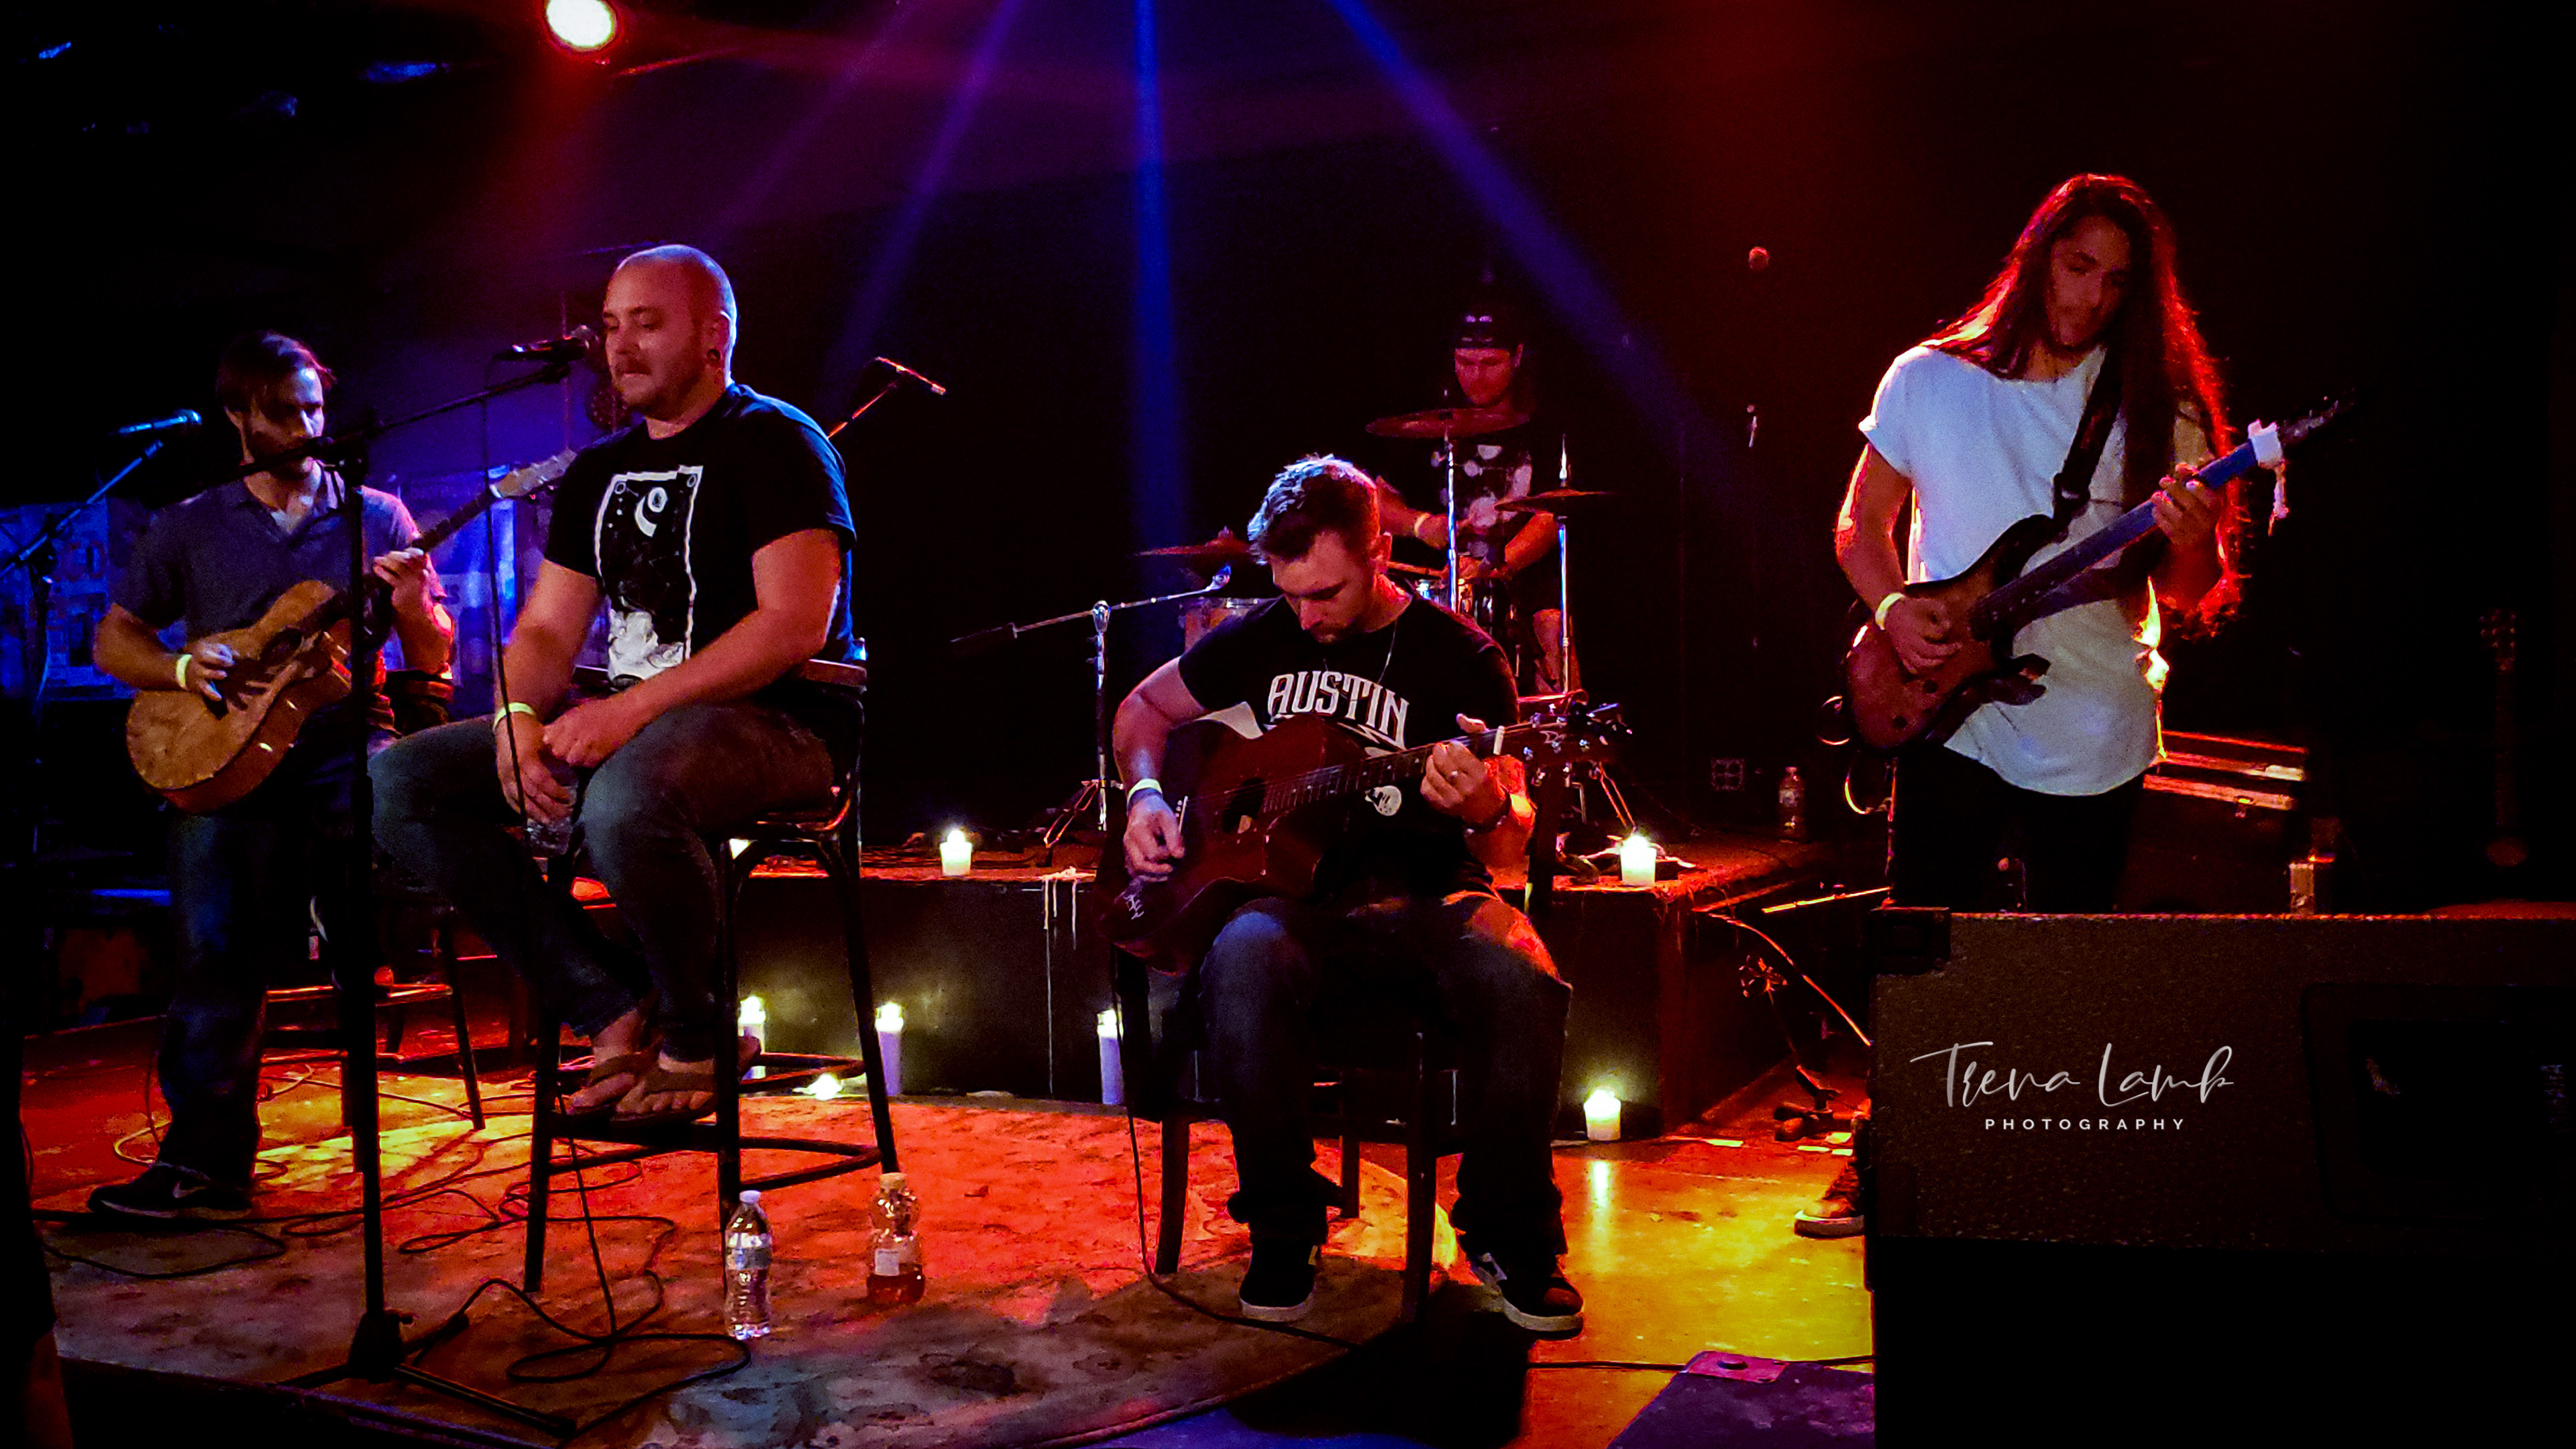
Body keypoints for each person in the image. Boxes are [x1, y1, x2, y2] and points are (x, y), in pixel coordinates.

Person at [1809, 173, 2243, 1237]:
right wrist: (1894, 610)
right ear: (2038, 255)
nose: (2090, 296)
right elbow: (1861, 522)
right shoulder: (1931, 377)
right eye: (2077, 265)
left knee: (2066, 965)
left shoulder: (2162, 409)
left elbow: (2191, 594)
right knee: (1924, 939)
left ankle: (2047, 1173)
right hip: (1952, 701)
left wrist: (2193, 541)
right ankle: (1892, 1146)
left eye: (2117, 281)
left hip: (2092, 720)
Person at [372, 244, 859, 1128]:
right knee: (401, 781)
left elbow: (794, 624)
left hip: (780, 723)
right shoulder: (600, 471)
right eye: (609, 326)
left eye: (646, 323)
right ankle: (608, 1005)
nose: (619, 347)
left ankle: (697, 1034)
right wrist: (516, 721)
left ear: (713, 337)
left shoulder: (777, 440)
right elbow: (547, 631)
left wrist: (629, 710)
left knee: (626, 797)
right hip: (644, 727)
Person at [1114, 455, 1582, 1334]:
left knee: (1523, 974)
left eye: (1325, 593)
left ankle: (1508, 1230)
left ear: (1379, 554)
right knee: (1243, 956)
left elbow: (1508, 841)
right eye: (1289, 594)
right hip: (1298, 904)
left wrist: (1484, 806)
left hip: (1434, 897)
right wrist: (1144, 795)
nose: (1307, 616)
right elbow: (1143, 709)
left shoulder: (1461, 658)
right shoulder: (1264, 635)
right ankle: (1283, 1229)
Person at [85, 331, 451, 1220]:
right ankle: (206, 1164)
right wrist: (180, 669)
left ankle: (369, 975)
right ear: (237, 416)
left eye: (315, 409)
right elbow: (115, 640)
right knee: (213, 935)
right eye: (284, 413)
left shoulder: (377, 517)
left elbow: (434, 654)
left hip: (346, 748)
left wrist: (413, 606)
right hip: (227, 761)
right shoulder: (189, 523)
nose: (307, 428)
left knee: (396, 835)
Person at [1376, 298, 1568, 691]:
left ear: (1517, 357)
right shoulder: (1429, 423)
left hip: (1521, 585)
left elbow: (1554, 512)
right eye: (1465, 363)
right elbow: (1378, 500)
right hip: (1437, 583)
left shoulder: (1543, 424)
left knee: (1552, 624)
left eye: (1490, 364)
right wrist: (1423, 526)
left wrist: (1497, 565)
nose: (1476, 376)